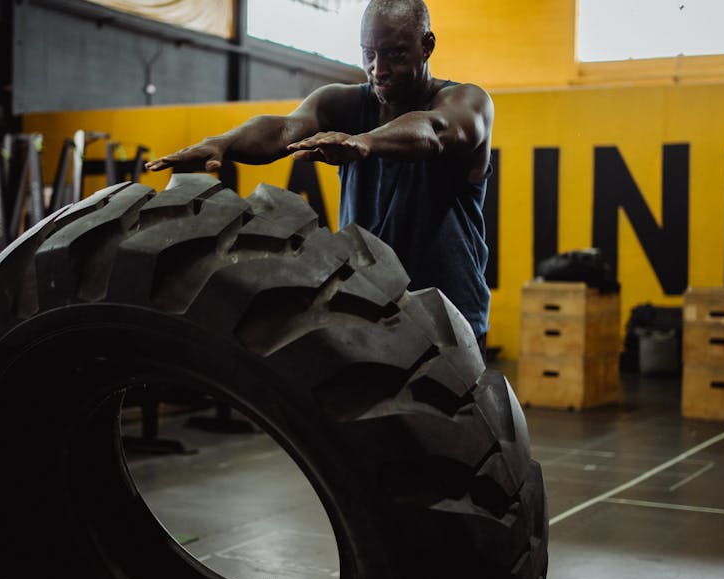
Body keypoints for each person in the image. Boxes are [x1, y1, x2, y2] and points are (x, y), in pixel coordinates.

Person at [145, 0, 493, 343]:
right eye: (368, 54)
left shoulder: (468, 102)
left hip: (448, 319)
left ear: (427, 45)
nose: (378, 69)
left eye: (395, 54)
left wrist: (366, 142)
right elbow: (284, 130)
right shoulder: (342, 103)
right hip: (365, 307)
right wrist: (224, 142)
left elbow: (434, 131)